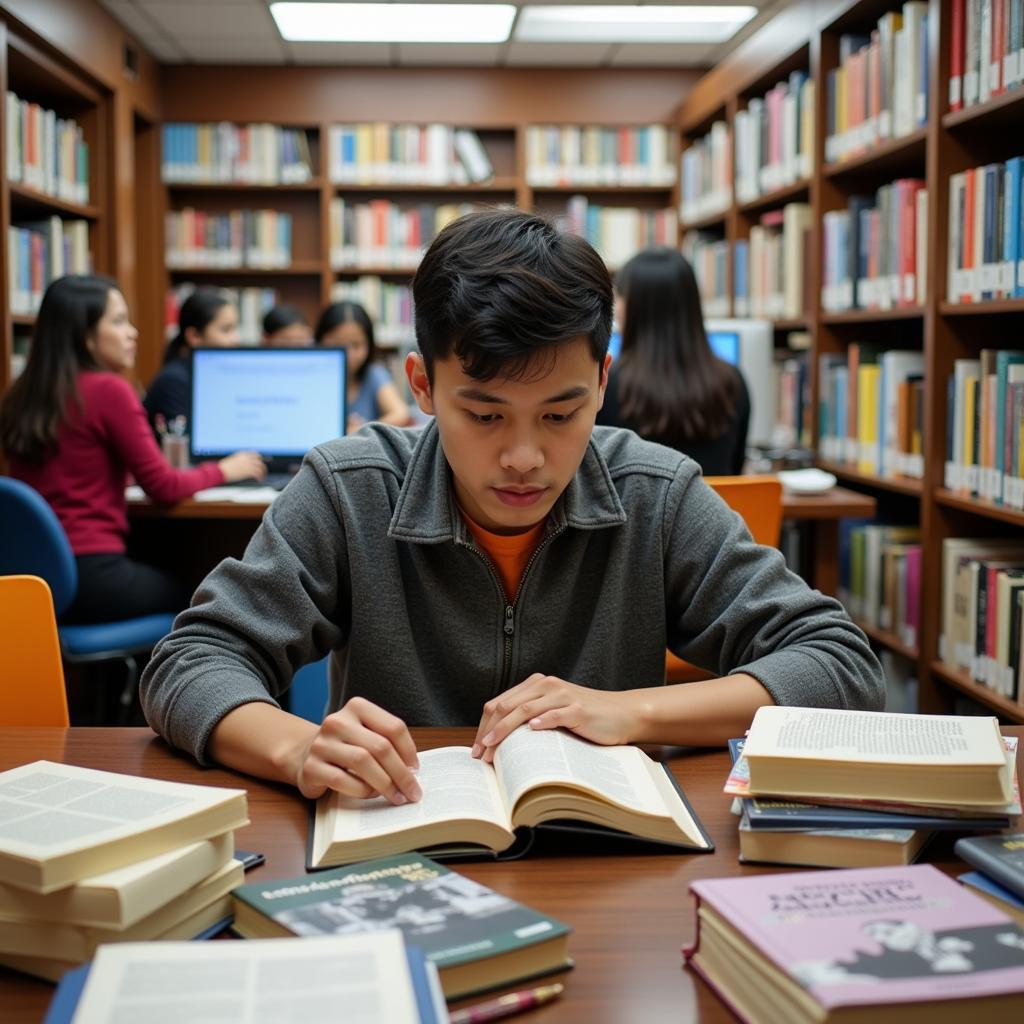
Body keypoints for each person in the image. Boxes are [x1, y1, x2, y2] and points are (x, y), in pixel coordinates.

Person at [140, 209, 883, 808]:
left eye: (561, 415)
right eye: (486, 415)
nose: (524, 457)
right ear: (422, 387)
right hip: (400, 844)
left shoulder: (655, 492)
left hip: (605, 868)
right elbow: (190, 662)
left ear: (602, 381)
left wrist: (633, 712)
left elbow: (841, 663)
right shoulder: (349, 487)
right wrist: (298, 747)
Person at [0, 275, 265, 623]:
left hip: (32, 579)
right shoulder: (109, 390)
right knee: (207, 594)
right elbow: (164, 486)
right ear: (85, 334)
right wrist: (227, 469)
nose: (132, 332)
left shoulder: (22, 393)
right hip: (93, 575)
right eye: (118, 321)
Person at [596, 248, 750, 476]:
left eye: (620, 295)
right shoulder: (733, 382)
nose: (616, 307)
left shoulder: (608, 384)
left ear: (636, 306)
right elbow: (736, 468)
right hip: (712, 512)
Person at [143, 286, 241, 432]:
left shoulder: (212, 376)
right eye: (226, 330)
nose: (236, 339)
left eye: (235, 329)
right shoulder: (173, 382)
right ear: (194, 336)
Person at [314, 300, 410, 432]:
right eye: (338, 343)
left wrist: (359, 431)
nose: (348, 354)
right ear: (320, 340)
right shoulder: (311, 379)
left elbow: (401, 414)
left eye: (356, 345)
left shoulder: (374, 374)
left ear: (369, 345)